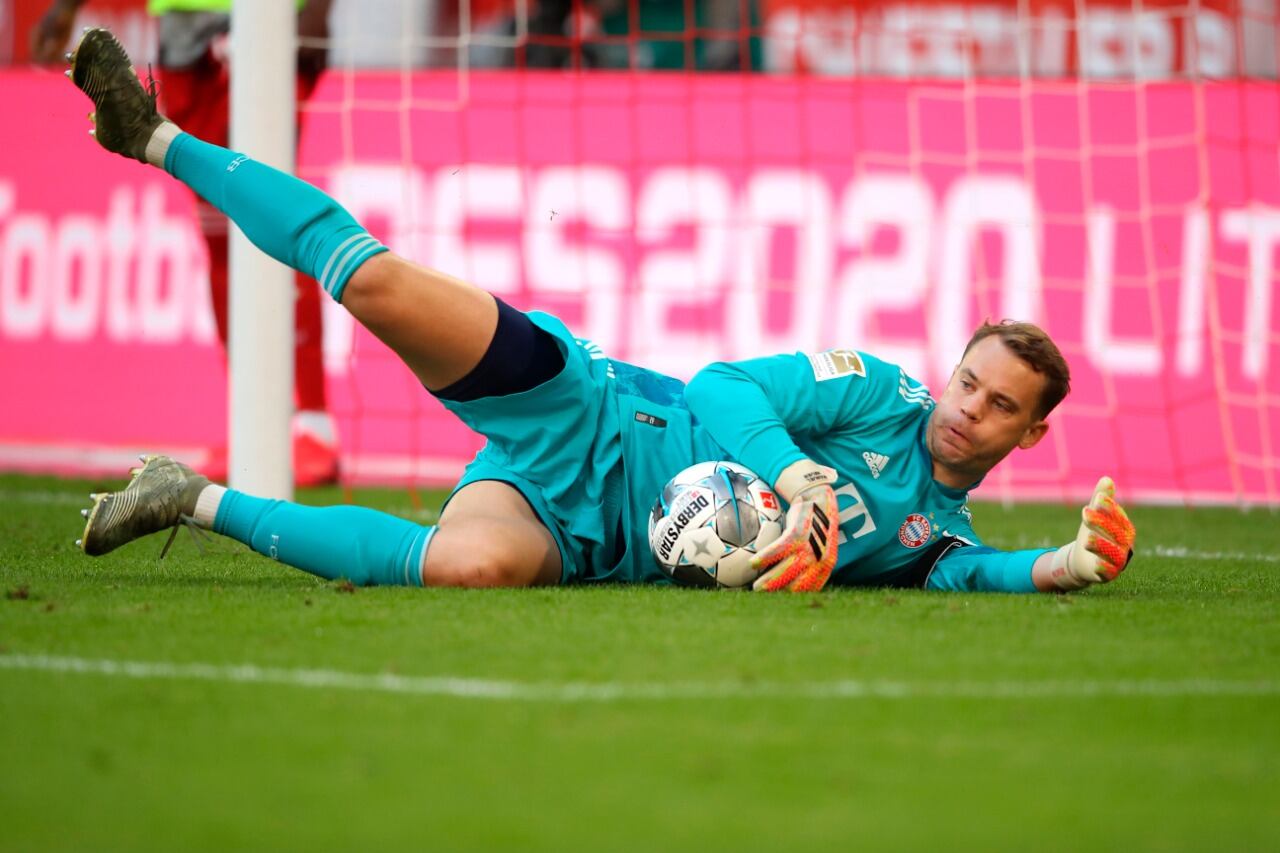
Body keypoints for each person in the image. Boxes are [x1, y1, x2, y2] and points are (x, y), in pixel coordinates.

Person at [68, 28, 1136, 594]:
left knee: (465, 568)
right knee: (377, 282)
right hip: (590, 411)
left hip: (597, 539)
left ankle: (187, 499)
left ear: (1027, 432)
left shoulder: (926, 538)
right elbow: (721, 386)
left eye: (995, 408)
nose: (964, 410)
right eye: (967, 382)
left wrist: (1063, 564)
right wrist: (796, 470)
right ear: (947, 369)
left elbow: (979, 572)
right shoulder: (877, 393)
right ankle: (156, 138)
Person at [32, 0, 341, 486]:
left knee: (272, 211)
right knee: (218, 232)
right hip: (181, 23)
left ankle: (315, 427)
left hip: (273, 16)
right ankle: (257, 425)